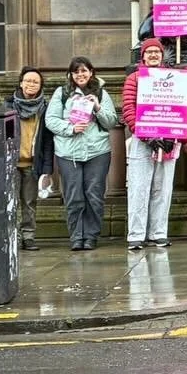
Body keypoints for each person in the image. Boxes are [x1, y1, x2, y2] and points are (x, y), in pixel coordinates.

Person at [44, 57, 118, 251]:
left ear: (91, 72)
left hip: (98, 151)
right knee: (74, 196)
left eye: (84, 71)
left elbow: (111, 121)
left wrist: (97, 107)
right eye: (76, 72)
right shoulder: (62, 93)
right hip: (69, 153)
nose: (80, 75)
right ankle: (77, 236)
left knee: (94, 195)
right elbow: (50, 120)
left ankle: (91, 236)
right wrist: (71, 128)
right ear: (71, 75)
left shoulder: (101, 93)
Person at [121, 38, 180, 250]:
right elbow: (128, 108)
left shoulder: (174, 78)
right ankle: (136, 234)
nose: (153, 55)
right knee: (139, 187)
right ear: (143, 56)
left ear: (162, 55)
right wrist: (145, 134)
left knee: (163, 189)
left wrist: (173, 135)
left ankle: (158, 233)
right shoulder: (134, 78)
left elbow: (180, 107)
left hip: (168, 139)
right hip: (142, 139)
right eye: (149, 52)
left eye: (157, 52)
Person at [6, 66, 49, 251]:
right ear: (21, 83)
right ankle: (11, 237)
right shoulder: (8, 106)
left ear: (40, 86)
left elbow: (47, 141)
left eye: (35, 82)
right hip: (11, 163)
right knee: (10, 202)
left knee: (29, 202)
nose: (31, 84)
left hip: (32, 163)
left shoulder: (45, 109)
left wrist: (47, 168)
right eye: (28, 80)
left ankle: (28, 237)